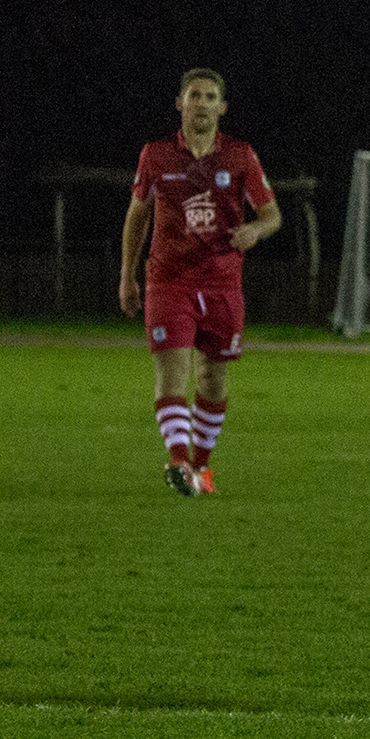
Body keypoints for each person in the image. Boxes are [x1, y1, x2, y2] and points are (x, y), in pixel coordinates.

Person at [119, 68, 281, 497]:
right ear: (180, 104)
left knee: (212, 381)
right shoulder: (155, 155)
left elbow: (272, 214)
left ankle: (201, 468)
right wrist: (127, 276)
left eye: (211, 97)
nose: (203, 103)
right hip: (167, 280)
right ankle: (177, 462)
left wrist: (255, 231)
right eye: (195, 96)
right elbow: (137, 216)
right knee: (172, 376)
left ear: (222, 107)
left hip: (223, 284)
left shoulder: (241, 156)